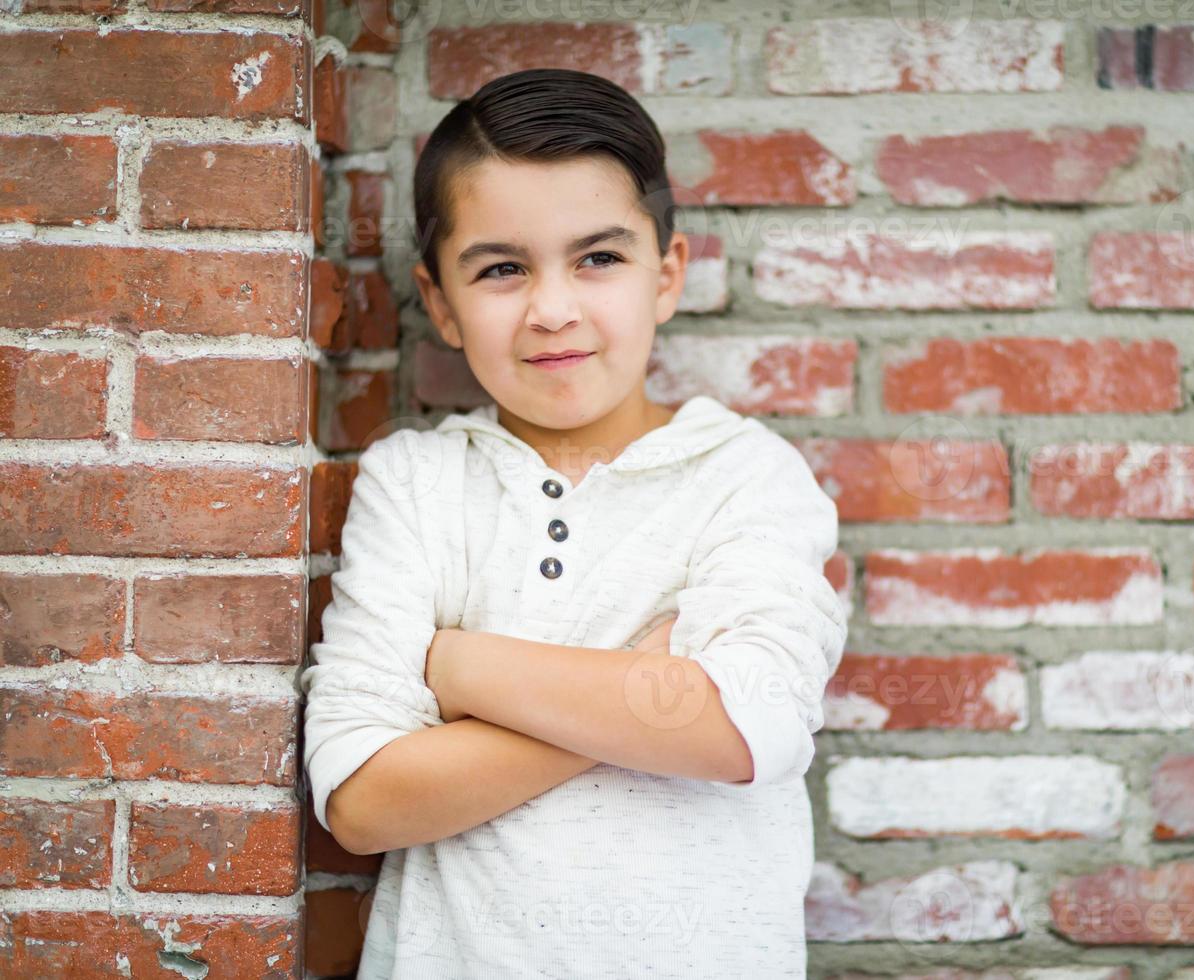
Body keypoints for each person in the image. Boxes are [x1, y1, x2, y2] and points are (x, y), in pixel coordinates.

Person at [298, 67, 849, 978]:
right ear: (440, 302)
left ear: (666, 275)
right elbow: (362, 796)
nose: (553, 309)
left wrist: (458, 664)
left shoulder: (746, 478)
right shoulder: (417, 486)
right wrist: (644, 685)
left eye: (598, 258)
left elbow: (748, 732)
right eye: (504, 269)